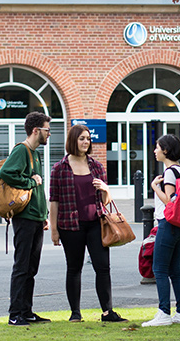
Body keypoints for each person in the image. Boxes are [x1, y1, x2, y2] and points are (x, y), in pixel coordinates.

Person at [49, 123, 126, 323]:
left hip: (96, 224)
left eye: (88, 138)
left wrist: (106, 190)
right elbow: (54, 200)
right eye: (82, 138)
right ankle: (75, 313)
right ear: (73, 141)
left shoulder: (96, 166)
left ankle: (108, 312)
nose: (86, 142)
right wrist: (54, 230)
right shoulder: (59, 168)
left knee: (103, 267)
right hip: (70, 225)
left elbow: (105, 201)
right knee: (74, 268)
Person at [0, 110, 51, 326]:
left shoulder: (35, 154)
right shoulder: (21, 150)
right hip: (25, 218)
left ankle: (27, 311)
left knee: (32, 267)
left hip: (36, 218)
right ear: (35, 130)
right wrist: (31, 182)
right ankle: (15, 314)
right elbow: (6, 173)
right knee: (22, 266)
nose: (49, 134)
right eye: (47, 130)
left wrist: (44, 214)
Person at [143, 133, 180, 326]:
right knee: (175, 271)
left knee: (159, 268)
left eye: (157, 147)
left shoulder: (170, 172)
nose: (154, 151)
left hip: (168, 223)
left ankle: (163, 313)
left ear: (166, 150)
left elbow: (170, 201)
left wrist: (155, 187)